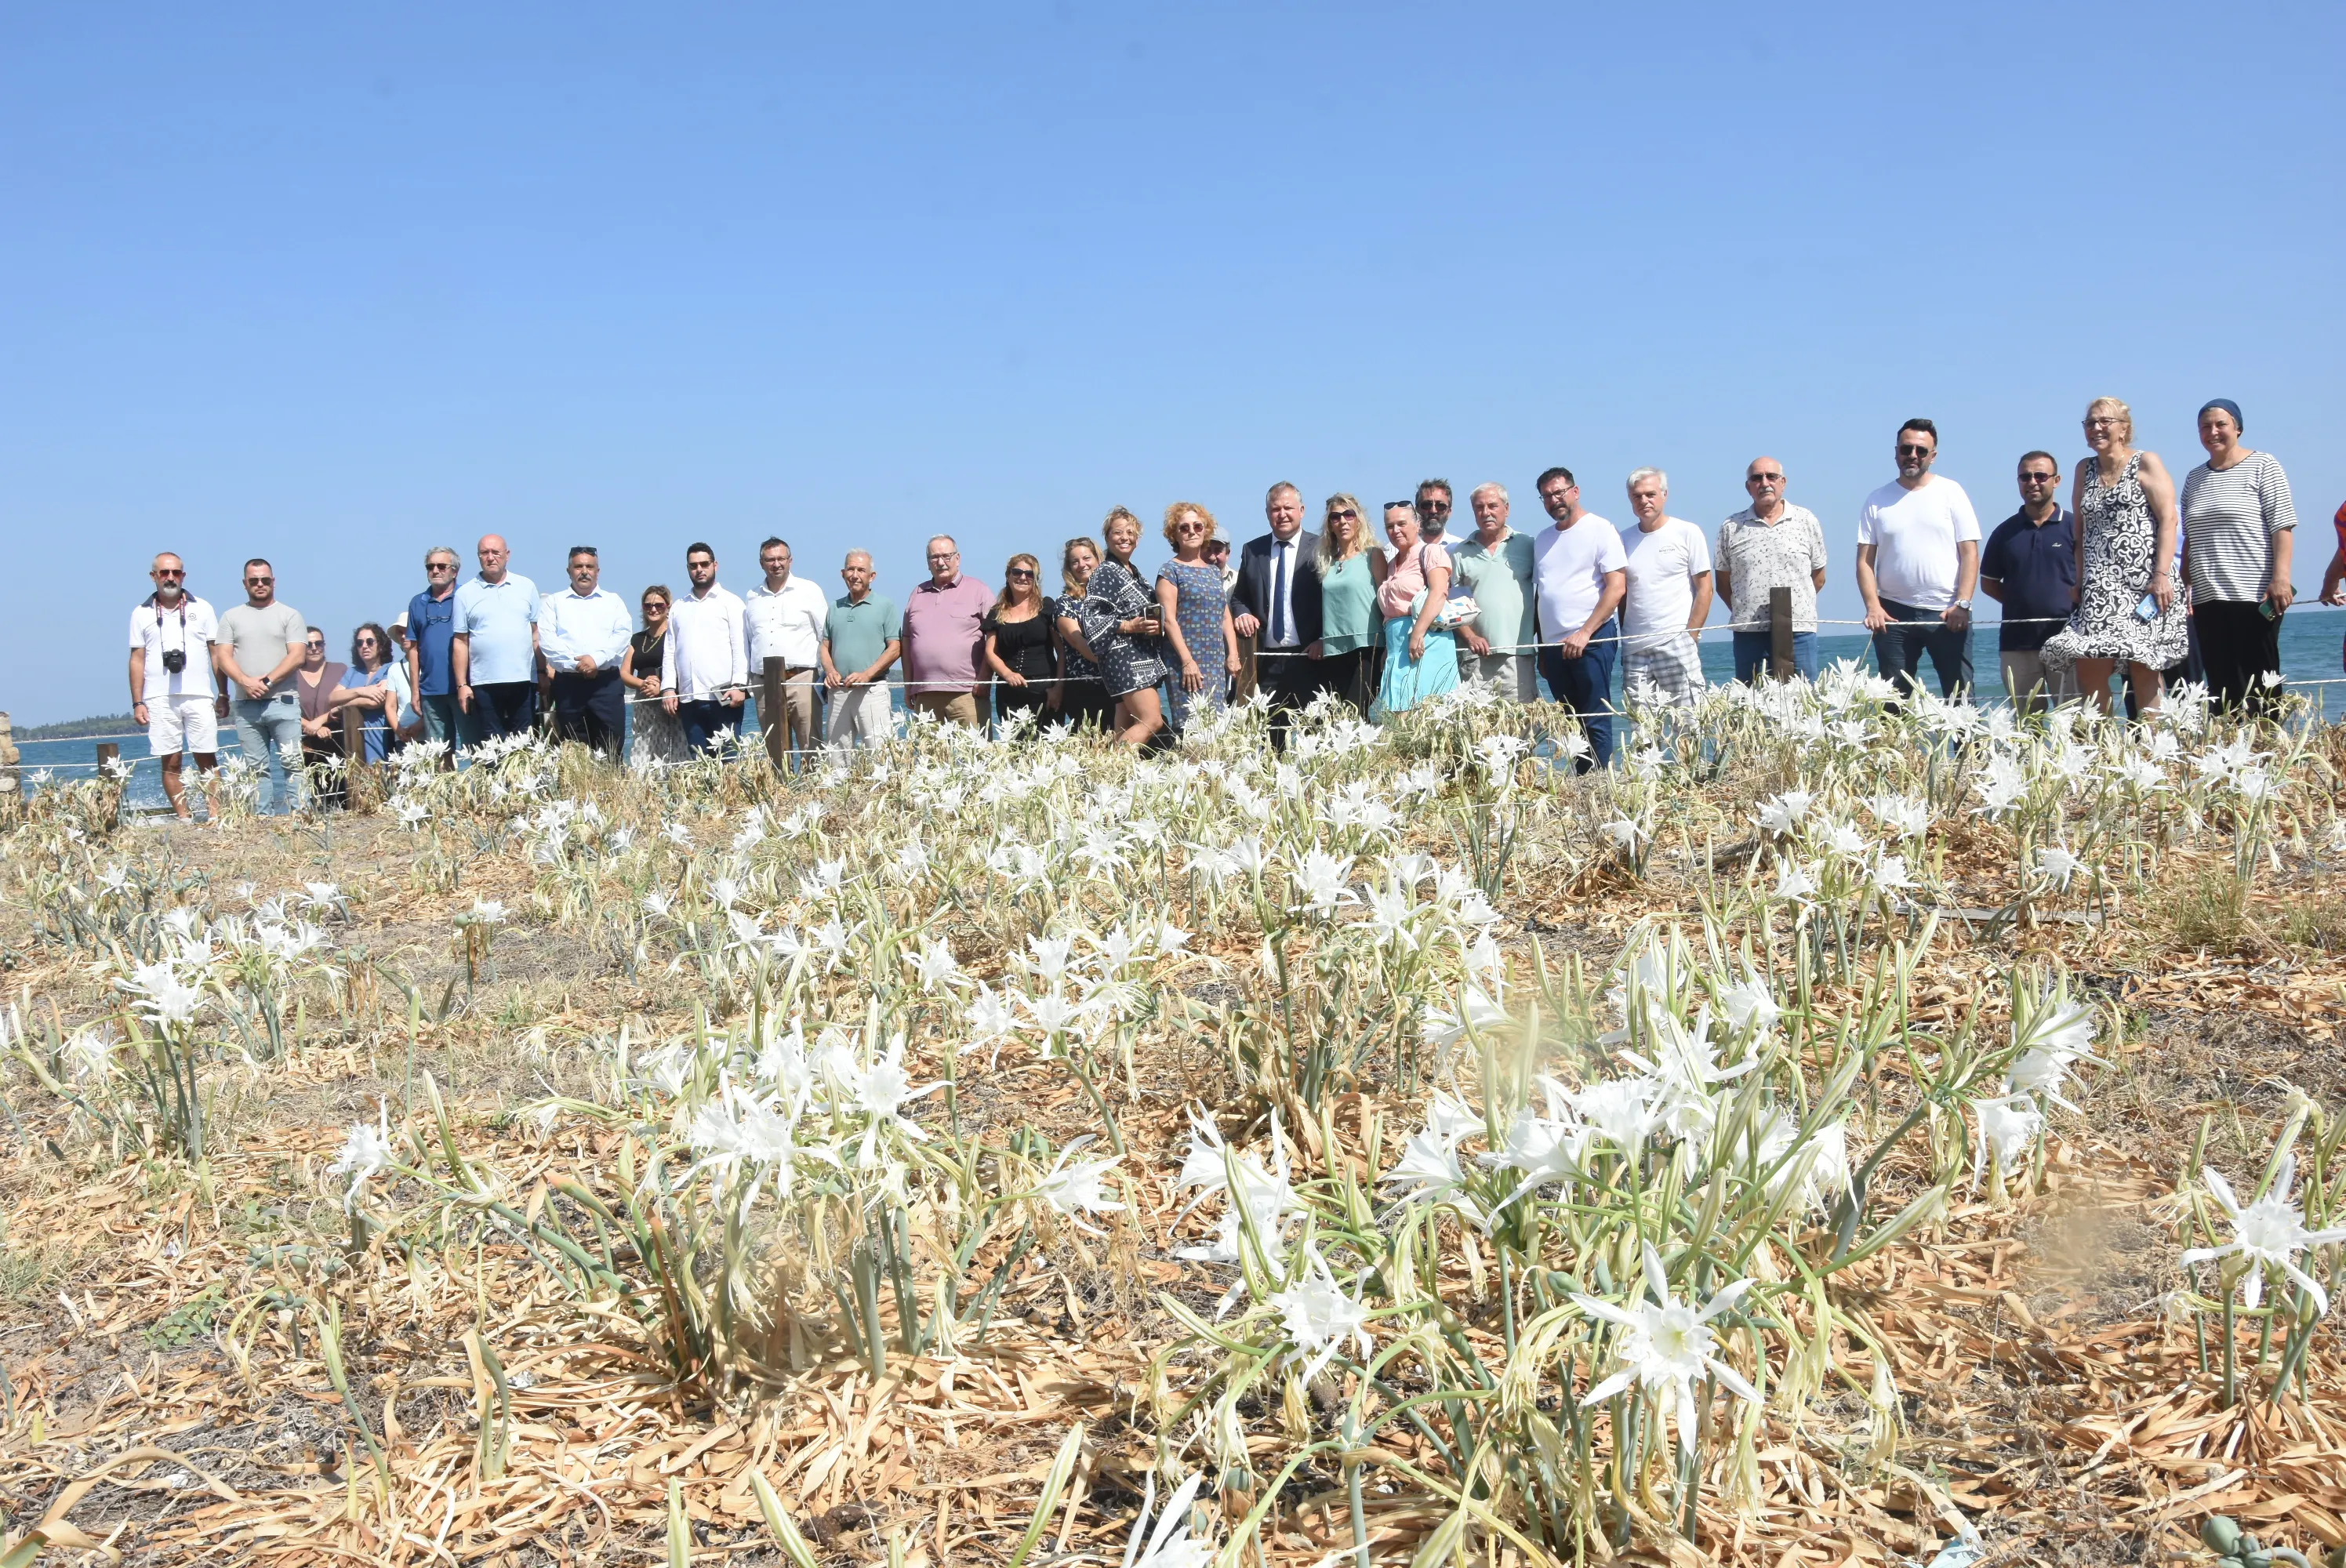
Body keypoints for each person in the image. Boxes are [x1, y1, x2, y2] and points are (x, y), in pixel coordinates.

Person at [2181, 398, 2298, 713]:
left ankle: (2271, 751)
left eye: (2221, 424)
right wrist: (2185, 584)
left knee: (2262, 685)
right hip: (2207, 598)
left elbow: (2282, 525)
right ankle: (2231, 755)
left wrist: (2281, 578)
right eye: (2205, 426)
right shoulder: (2194, 478)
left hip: (2253, 594)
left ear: (2238, 428)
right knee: (2222, 688)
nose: (2213, 432)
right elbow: (2190, 538)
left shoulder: (2263, 465)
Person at [1857, 419, 1981, 700]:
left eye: (1921, 451)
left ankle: (1967, 748)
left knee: (1960, 701)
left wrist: (1962, 603)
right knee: (1891, 703)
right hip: (1892, 616)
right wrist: (1872, 606)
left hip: (1948, 613)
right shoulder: (1876, 500)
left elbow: (1970, 553)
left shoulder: (1952, 492)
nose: (1913, 455)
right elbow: (1864, 561)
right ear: (1896, 452)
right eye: (1906, 448)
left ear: (1933, 456)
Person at [1532, 468, 1628, 769]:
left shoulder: (1601, 529)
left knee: (1594, 716)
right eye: (1547, 496)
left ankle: (1601, 786)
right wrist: (1541, 648)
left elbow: (1616, 588)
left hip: (1592, 639)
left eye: (1559, 492)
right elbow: (1542, 594)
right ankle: (1584, 788)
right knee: (1570, 721)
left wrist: (1585, 633)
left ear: (1575, 491)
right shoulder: (1542, 540)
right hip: (1553, 646)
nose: (1554, 500)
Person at [1980, 453, 2083, 715]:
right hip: (2018, 644)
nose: (2033, 482)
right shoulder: (2004, 533)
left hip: (2070, 640)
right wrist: (2022, 603)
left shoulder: (2076, 527)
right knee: (2027, 726)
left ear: (2056, 480)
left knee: (2076, 724)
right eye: (2026, 477)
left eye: (2041, 476)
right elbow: (1989, 584)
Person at [129, 552, 223, 821]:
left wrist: (223, 693)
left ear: (184, 575)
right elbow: (137, 659)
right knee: (171, 762)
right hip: (158, 697)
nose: (170, 578)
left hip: (198, 694)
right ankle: (185, 818)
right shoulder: (141, 613)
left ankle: (215, 816)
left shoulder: (202, 608)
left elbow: (216, 653)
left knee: (207, 757)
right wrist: (138, 702)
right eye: (164, 573)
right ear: (154, 577)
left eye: (176, 573)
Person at [1716, 459, 1828, 683]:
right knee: (1752, 705)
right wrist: (1746, 610)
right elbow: (1722, 583)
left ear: (1783, 482)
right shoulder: (1731, 527)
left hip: (1800, 630)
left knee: (1804, 703)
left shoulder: (1806, 520)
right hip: (1749, 634)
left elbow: (1819, 576)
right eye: (1757, 478)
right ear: (1748, 487)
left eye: (1771, 476)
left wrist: (1795, 605)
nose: (1764, 483)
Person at [1229, 482, 1324, 746]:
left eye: (1288, 508)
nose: (1282, 514)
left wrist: (1325, 638)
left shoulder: (1322, 547)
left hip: (1310, 658)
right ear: (1267, 513)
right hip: (1266, 662)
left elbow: (1334, 600)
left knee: (1315, 737)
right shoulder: (1252, 550)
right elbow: (1239, 598)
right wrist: (1242, 613)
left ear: (1302, 510)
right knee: (1271, 740)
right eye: (1275, 509)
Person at [213, 557, 310, 812]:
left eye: (265, 580)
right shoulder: (230, 617)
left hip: (284, 702)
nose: (260, 584)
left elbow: (298, 655)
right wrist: (245, 682)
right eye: (254, 580)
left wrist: (266, 681)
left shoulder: (290, 615)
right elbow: (222, 656)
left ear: (273, 582)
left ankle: (302, 819)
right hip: (246, 707)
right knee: (256, 770)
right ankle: (262, 822)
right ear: (245, 583)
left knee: (293, 765)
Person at [1071, 507, 1171, 748]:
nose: (1125, 537)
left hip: (1138, 658)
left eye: (1131, 532)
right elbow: (1092, 619)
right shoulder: (1105, 572)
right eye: (1118, 532)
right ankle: (1109, 765)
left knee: (1125, 726)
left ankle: (1115, 778)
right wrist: (1129, 626)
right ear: (1107, 537)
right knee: (1152, 721)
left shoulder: (1133, 572)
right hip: (1124, 661)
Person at [1617, 469, 1712, 706]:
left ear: (1665, 494)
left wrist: (1690, 637)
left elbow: (1705, 589)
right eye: (1636, 496)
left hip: (1676, 642)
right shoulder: (1621, 540)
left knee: (1688, 726)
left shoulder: (1687, 532)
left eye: (1650, 494)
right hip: (1635, 650)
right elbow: (1622, 594)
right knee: (1642, 732)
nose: (1644, 501)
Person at [540, 545, 634, 758]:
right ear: (569, 570)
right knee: (575, 753)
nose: (584, 571)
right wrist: (579, 665)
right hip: (569, 686)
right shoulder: (554, 603)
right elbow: (548, 641)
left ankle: (612, 791)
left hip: (606, 685)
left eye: (590, 566)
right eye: (578, 566)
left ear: (597, 571)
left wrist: (596, 660)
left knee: (612, 750)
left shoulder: (613, 601)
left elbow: (622, 636)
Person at [744, 536, 830, 766]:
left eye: (781, 558)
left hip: (802, 679)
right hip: (764, 683)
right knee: (774, 751)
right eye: (770, 559)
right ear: (761, 563)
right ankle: (779, 797)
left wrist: (829, 674)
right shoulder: (752, 597)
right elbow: (750, 640)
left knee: (811, 746)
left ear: (790, 560)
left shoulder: (809, 590)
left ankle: (816, 796)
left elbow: (826, 635)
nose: (776, 564)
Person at [1451, 484, 1538, 702]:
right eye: (1479, 508)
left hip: (1518, 656)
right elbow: (1453, 604)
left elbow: (1544, 594)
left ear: (1506, 509)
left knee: (1521, 726)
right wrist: (1471, 637)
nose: (1486, 512)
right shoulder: (1460, 552)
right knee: (1477, 729)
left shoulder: (1528, 545)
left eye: (1492, 506)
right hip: (1475, 658)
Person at [1157, 503, 1239, 733]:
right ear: (1174, 534)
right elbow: (1169, 620)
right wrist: (1187, 661)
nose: (1191, 531)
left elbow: (1225, 617)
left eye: (1197, 526)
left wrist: (1232, 654)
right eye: (1184, 528)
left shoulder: (1213, 571)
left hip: (1215, 664)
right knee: (1191, 729)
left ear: (1205, 530)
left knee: (1217, 729)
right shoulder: (1169, 571)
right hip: (1185, 664)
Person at [452, 534, 543, 739]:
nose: (490, 557)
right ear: (478, 557)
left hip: (524, 680)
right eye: (485, 553)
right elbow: (460, 641)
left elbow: (536, 633)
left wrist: (543, 672)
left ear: (507, 555)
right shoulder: (464, 594)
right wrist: (461, 685)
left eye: (496, 552)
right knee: (492, 747)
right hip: (484, 683)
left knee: (525, 744)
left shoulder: (526, 586)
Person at [662, 543, 749, 755]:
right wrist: (668, 689)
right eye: (693, 566)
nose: (699, 569)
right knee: (699, 764)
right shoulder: (679, 608)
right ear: (688, 569)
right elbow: (670, 651)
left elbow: (741, 648)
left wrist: (739, 685)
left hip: (724, 697)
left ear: (715, 565)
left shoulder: (731, 603)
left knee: (729, 762)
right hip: (689, 698)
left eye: (704, 564)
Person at [1376, 502, 1461, 714]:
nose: (1395, 531)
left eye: (1402, 524)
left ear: (1417, 524)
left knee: (1424, 714)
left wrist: (1417, 632)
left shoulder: (1430, 551)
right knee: (1395, 718)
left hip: (1424, 642)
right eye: (1390, 526)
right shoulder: (1392, 564)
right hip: (1397, 647)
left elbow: (1439, 592)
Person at [901, 535, 994, 728]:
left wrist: (985, 678)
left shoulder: (979, 590)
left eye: (946, 556)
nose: (941, 562)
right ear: (928, 563)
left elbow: (995, 636)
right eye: (934, 557)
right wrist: (908, 685)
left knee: (975, 755)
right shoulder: (916, 593)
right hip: (926, 694)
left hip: (968, 693)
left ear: (958, 559)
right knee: (930, 757)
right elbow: (907, 641)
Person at [1313, 494, 1387, 711]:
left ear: (1358, 519)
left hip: (1368, 649)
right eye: (1335, 517)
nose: (1343, 521)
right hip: (1334, 651)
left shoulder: (1373, 555)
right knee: (1336, 717)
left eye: (1348, 514)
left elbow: (1386, 601)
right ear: (1330, 525)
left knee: (1353, 713)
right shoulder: (1326, 561)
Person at [821, 550, 902, 749]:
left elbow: (895, 648)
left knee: (879, 753)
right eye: (850, 569)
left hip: (872, 691)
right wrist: (830, 671)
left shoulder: (885, 606)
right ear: (843, 573)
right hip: (838, 691)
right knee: (836, 757)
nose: (855, 575)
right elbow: (824, 646)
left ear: (871, 576)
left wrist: (867, 675)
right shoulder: (834, 607)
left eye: (861, 570)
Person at [983, 552, 1062, 733]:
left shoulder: (1046, 607)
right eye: (1017, 572)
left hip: (1045, 692)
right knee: (1015, 752)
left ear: (1035, 579)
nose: (1023, 577)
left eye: (1029, 574)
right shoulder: (996, 612)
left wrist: (1058, 688)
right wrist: (1007, 674)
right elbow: (990, 653)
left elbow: (1062, 651)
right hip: (1009, 693)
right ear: (1008, 576)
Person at [401, 546, 470, 746]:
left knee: (469, 748)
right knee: (439, 753)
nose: (435, 571)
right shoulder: (417, 603)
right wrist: (415, 691)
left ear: (455, 571)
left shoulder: (467, 596)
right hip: (431, 691)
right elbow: (413, 649)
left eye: (442, 566)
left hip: (463, 687)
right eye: (430, 566)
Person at [1053, 538, 1117, 734]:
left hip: (1117, 685)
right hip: (1084, 688)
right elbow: (1076, 640)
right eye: (1075, 561)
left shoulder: (1114, 596)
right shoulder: (1066, 602)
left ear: (1098, 559)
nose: (1082, 565)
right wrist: (1112, 664)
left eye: (1087, 558)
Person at [622, 586, 691, 764]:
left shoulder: (675, 634)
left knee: (675, 749)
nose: (653, 609)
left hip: (670, 699)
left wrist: (663, 687)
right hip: (644, 704)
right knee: (642, 748)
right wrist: (643, 684)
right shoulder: (637, 638)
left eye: (659, 605)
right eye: (648, 606)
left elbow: (684, 667)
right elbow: (625, 673)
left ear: (668, 607)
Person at [293, 628, 350, 807]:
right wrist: (311, 727)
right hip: (304, 745)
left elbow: (347, 702)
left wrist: (322, 721)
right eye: (309, 644)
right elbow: (285, 709)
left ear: (324, 645)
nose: (314, 648)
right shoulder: (291, 676)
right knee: (311, 798)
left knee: (341, 796)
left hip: (337, 742)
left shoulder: (341, 670)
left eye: (318, 643)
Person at [332, 622, 405, 764]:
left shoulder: (390, 669)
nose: (364, 646)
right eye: (360, 643)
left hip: (382, 737)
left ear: (381, 645)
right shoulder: (352, 673)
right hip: (354, 739)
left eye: (370, 641)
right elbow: (332, 698)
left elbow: (375, 701)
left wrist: (343, 705)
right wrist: (362, 691)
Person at [1415, 478, 1456, 551]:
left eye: (1440, 506)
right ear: (1417, 510)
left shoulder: (1459, 549)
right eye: (1427, 505)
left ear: (1449, 512)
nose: (1433, 511)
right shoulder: (1398, 549)